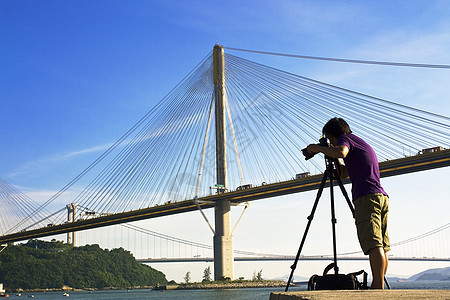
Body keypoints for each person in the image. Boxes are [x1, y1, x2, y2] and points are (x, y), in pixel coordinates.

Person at [306, 117, 390, 289]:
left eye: (330, 139)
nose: (330, 143)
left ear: (335, 135)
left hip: (366, 197)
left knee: (373, 244)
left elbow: (342, 151)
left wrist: (318, 149)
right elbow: (344, 173)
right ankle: (378, 284)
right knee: (381, 245)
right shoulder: (359, 143)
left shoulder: (346, 139)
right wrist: (332, 156)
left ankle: (377, 287)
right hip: (380, 197)